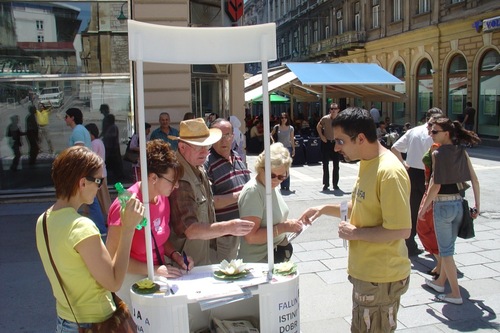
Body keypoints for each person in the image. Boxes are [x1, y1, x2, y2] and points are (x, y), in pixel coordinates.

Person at [300, 107, 411, 333]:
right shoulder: (367, 161)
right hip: (368, 275)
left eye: (340, 141)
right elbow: (362, 206)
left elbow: (401, 230)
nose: (335, 147)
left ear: (360, 138)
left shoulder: (389, 172)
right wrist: (322, 209)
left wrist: (356, 234)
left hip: (381, 277)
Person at [35, 146, 144, 333]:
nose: (101, 186)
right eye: (99, 181)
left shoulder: (44, 219)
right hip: (95, 324)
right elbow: (114, 282)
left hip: (66, 321)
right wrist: (128, 229)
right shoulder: (81, 226)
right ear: (83, 183)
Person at [106, 139, 192, 307]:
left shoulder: (162, 199)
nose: (176, 186)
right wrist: (153, 269)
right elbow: (112, 257)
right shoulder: (125, 205)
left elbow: (159, 237)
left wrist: (175, 255)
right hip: (131, 284)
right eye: (172, 180)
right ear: (153, 177)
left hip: (157, 275)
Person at [167, 118, 255, 265]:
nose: (204, 151)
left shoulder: (197, 166)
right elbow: (190, 229)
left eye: (206, 146)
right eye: (198, 147)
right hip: (187, 262)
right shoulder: (181, 179)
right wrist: (228, 227)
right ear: (182, 147)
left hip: (201, 257)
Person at [418, 117, 480, 305]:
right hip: (459, 204)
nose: (431, 133)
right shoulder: (461, 152)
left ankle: (455, 294)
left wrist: (424, 207)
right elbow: (474, 180)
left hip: (443, 206)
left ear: (446, 133)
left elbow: (435, 185)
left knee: (446, 252)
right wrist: (478, 206)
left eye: (435, 131)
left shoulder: (439, 153)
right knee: (448, 248)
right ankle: (440, 281)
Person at [238, 142, 304, 263]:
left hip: (274, 256)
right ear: (260, 168)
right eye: (272, 175)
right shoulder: (254, 191)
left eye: (281, 177)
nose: (275, 180)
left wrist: (290, 224)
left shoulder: (271, 187)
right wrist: (284, 227)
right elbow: (251, 237)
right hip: (258, 263)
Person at [391, 107, 443, 256]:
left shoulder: (413, 131)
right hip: (430, 174)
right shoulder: (436, 135)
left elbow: (395, 148)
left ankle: (409, 243)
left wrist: (404, 164)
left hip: (412, 173)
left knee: (413, 209)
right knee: (432, 210)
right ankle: (435, 247)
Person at [204, 118, 252, 261]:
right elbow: (209, 203)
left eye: (227, 135)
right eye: (218, 136)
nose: (223, 140)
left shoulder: (237, 157)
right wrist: (240, 195)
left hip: (245, 232)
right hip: (224, 236)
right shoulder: (207, 164)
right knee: (226, 273)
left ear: (233, 136)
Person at [65, 108, 106, 236]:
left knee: (82, 200)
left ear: (72, 117)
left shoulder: (77, 131)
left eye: (66, 116)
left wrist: (74, 170)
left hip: (81, 170)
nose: (65, 119)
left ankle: (97, 227)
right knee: (89, 200)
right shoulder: (82, 130)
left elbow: (79, 150)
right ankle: (98, 227)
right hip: (86, 169)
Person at [85, 123, 112, 229]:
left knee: (103, 200)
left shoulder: (95, 143)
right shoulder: (99, 142)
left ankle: (108, 220)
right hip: (101, 174)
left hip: (98, 176)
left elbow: (91, 158)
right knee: (102, 199)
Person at [316, 103, 341, 191]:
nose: (333, 110)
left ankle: (335, 184)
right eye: (332, 109)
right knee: (325, 164)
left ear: (338, 110)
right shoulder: (325, 119)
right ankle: (326, 184)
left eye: (335, 109)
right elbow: (318, 126)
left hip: (336, 143)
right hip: (326, 143)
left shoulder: (340, 119)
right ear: (330, 110)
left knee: (336, 165)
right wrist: (322, 136)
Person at [270, 112, 295, 192]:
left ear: (287, 118)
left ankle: (287, 185)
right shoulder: (277, 127)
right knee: (280, 167)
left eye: (285, 118)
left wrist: (294, 149)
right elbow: (270, 134)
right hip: (280, 149)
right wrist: (273, 141)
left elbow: (292, 139)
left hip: (288, 149)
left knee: (287, 168)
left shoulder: (291, 128)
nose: (283, 119)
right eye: (282, 118)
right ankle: (282, 185)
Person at [101, 112, 124, 181]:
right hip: (110, 148)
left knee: (114, 164)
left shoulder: (113, 127)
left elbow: (111, 137)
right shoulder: (110, 127)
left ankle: (117, 177)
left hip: (112, 149)